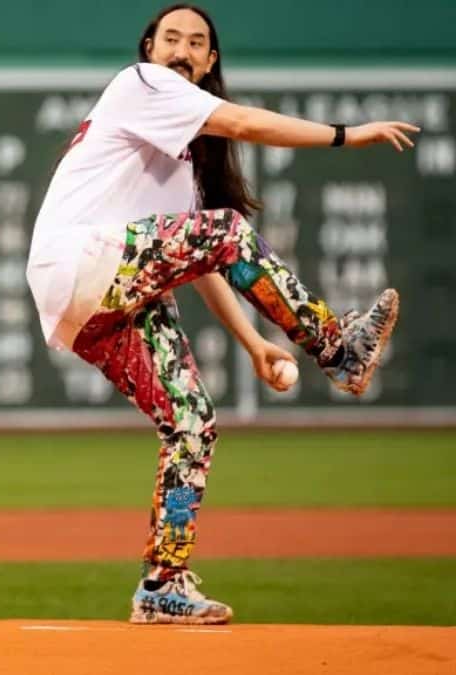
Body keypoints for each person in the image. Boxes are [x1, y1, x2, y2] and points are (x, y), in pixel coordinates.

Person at [25, 3, 415, 625]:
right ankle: (338, 349)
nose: (181, 49)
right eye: (170, 38)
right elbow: (243, 126)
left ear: (210, 61)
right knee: (229, 230)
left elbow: (201, 263)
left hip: (93, 306)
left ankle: (163, 583)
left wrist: (255, 343)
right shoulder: (140, 83)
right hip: (78, 262)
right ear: (149, 49)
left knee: (192, 420)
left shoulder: (183, 173)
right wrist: (346, 134)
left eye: (196, 42)